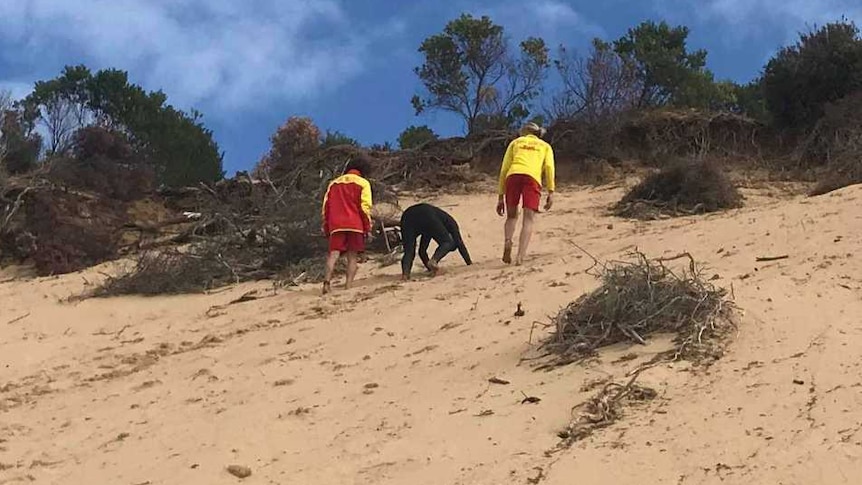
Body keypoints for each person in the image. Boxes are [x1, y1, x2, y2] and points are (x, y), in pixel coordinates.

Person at [496, 122, 555, 266]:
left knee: (511, 216)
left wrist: (500, 196)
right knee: (528, 219)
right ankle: (520, 256)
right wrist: (551, 191)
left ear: (523, 132)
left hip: (513, 175)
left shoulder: (515, 143)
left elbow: (504, 169)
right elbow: (549, 167)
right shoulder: (545, 146)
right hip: (532, 178)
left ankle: (508, 241)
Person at [321, 157, 373, 294]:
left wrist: (326, 227)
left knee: (333, 255)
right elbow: (365, 207)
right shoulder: (363, 183)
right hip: (355, 224)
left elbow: (326, 208)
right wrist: (367, 227)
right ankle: (348, 286)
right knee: (352, 257)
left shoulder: (333, 183)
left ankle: (326, 283)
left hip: (336, 225)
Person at [399, 203, 472, 280]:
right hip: (426, 214)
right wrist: (469, 262)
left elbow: (422, 252)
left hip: (407, 215)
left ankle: (405, 274)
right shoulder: (452, 223)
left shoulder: (430, 230)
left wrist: (429, 269)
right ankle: (434, 260)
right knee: (447, 242)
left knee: (409, 251)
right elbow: (459, 243)